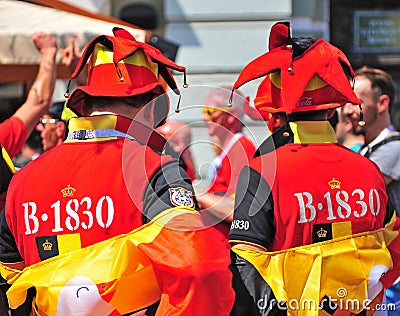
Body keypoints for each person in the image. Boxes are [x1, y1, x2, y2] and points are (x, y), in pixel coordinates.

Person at [0, 27, 234, 315]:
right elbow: (199, 269)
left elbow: (10, 285)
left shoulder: (21, 181)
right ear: (150, 110)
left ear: (84, 107)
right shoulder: (154, 168)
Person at [229, 21, 400, 315]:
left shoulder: (262, 170)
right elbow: (394, 247)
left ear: (277, 107)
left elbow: (245, 263)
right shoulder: (368, 169)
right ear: (332, 108)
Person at [343, 66, 400, 315]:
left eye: (356, 103)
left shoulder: (394, 148)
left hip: (393, 278)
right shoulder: (365, 150)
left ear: (382, 103)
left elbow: (349, 192)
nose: (347, 111)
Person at [195, 87, 256, 240]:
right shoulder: (231, 151)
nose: (203, 117)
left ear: (231, 116)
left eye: (210, 111)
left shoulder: (242, 151)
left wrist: (197, 195)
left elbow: (237, 209)